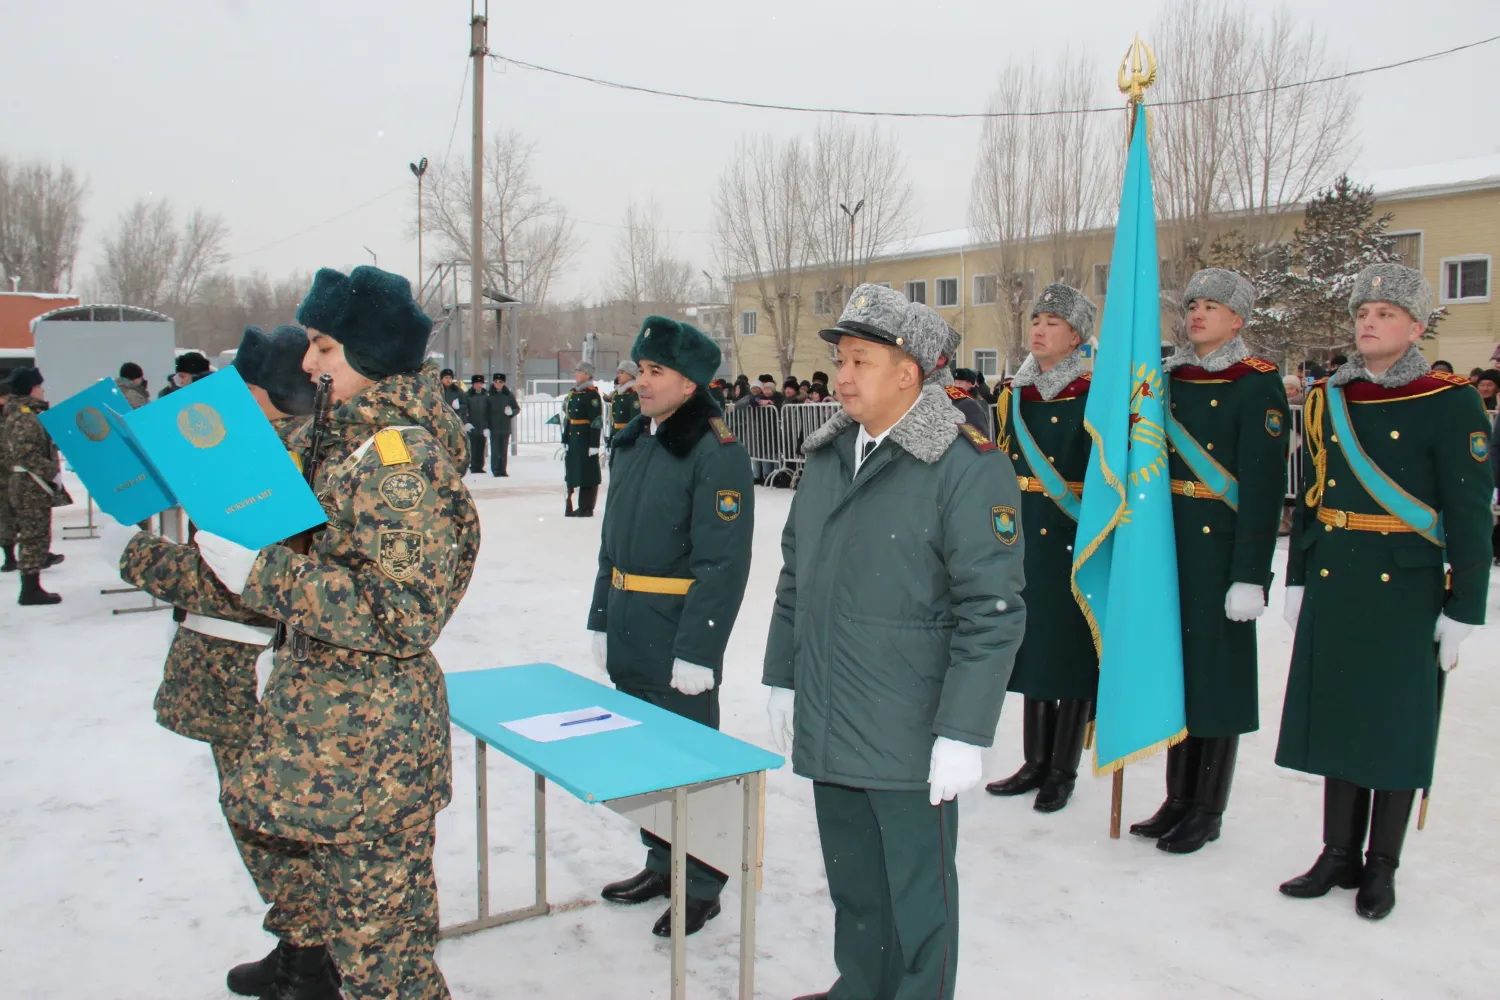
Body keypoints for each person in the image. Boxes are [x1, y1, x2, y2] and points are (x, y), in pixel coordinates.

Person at [161, 265, 478, 1000]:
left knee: (386, 962)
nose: (308, 365)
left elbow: (404, 614)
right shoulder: (350, 443)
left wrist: (263, 573)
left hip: (374, 747)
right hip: (341, 738)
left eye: (325, 349)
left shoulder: (400, 459)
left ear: (368, 355)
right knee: (361, 944)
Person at [763, 283, 1026, 1000]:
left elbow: (993, 609)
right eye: (840, 360)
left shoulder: (964, 465)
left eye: (859, 360)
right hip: (832, 712)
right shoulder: (826, 458)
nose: (841, 377)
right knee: (855, 886)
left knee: (919, 901)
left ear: (908, 371)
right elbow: (798, 578)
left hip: (912, 729)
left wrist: (964, 731)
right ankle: (860, 987)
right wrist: (782, 673)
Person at [107, 324, 325, 998]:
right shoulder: (262, 451)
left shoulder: (282, 464)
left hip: (247, 670)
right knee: (258, 814)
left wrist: (143, 557)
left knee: (268, 818)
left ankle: (311, 959)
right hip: (228, 668)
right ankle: (298, 944)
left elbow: (248, 583)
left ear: (267, 390)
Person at [1276, 263, 1490, 921]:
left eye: (1386, 313)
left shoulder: (1450, 399)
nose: (1369, 322)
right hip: (1338, 573)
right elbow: (1312, 494)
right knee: (1340, 715)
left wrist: (1466, 607)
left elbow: (1469, 510)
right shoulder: (1328, 396)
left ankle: (1381, 865)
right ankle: (1337, 852)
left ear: (1417, 327)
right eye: (1364, 312)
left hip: (1407, 585)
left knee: (1396, 725)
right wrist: (1299, 577)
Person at [587, 315, 753, 939]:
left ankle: (702, 882)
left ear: (690, 384)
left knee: (690, 761)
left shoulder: (714, 451)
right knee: (645, 758)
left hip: (678, 630)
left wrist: (700, 650)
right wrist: (601, 615)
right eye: (641, 369)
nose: (641, 382)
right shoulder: (633, 443)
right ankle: (661, 861)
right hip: (632, 625)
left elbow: (723, 564)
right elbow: (610, 544)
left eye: (656, 372)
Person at [1130, 268, 1289, 854]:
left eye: (1213, 306)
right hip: (1168, 547)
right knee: (1177, 677)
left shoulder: (1256, 383)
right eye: (1193, 303)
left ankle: (1208, 807)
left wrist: (1251, 573)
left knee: (1216, 683)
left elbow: (1265, 486)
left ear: (1238, 320)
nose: (1197, 313)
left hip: (1221, 552)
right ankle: (1176, 798)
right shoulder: (1166, 380)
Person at [987, 284, 1098, 812]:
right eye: (1036, 318)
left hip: (1075, 532)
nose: (1039, 329)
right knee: (1032, 650)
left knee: (1071, 654)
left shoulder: (1095, 390)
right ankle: (1034, 760)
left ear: (1076, 336)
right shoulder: (1015, 392)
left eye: (1052, 322)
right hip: (1027, 531)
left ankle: (1063, 768)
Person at [3, 366, 68, 604]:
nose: (42, 390)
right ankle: (29, 590)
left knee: (36, 534)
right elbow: (26, 454)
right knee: (33, 536)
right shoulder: (24, 417)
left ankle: (32, 585)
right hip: (30, 485)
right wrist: (52, 473)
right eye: (39, 386)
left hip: (31, 483)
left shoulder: (24, 413)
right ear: (31, 389)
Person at [562, 362, 604, 516]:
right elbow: (569, 418)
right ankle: (575, 504)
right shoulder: (574, 394)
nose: (577, 374)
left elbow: (596, 421)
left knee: (588, 473)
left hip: (585, 439)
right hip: (574, 439)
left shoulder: (591, 395)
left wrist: (594, 443)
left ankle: (587, 506)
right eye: (577, 371)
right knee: (575, 472)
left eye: (580, 372)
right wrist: (565, 438)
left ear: (587, 375)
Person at [485, 374, 519, 476]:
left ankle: (502, 469)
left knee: (503, 450)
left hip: (504, 426)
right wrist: (486, 426)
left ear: (504, 383)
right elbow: (485, 412)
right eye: (496, 382)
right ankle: (495, 469)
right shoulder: (489, 395)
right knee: (495, 450)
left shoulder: (508, 394)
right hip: (493, 426)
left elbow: (516, 408)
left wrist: (511, 412)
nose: (498, 384)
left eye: (500, 382)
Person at [608, 360, 641, 446]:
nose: (618, 375)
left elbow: (635, 420)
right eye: (618, 372)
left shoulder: (634, 393)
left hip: (626, 437)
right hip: (617, 435)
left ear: (630, 375)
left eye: (622, 372)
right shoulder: (619, 392)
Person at [464, 374, 490, 474]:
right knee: (473, 446)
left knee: (481, 445)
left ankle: (480, 466)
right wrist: (466, 422)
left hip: (483, 425)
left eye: (480, 383)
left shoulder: (486, 395)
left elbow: (489, 410)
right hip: (472, 425)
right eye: (476, 383)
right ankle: (474, 466)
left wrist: (488, 426)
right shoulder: (468, 395)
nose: (478, 385)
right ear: (473, 384)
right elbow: (464, 410)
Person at [439, 368, 470, 432]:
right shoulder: (437, 390)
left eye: (450, 378)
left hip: (454, 422)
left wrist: (459, 407)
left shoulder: (457, 391)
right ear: (441, 379)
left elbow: (465, 405)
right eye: (446, 378)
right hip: (440, 421)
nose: (448, 380)